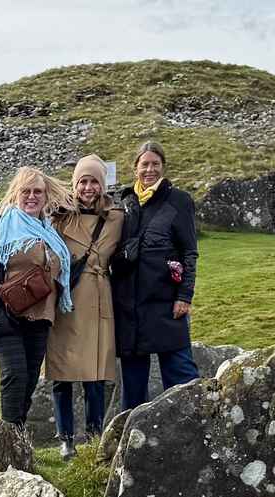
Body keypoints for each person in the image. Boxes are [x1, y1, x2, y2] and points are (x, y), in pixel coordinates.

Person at [0, 166, 75, 429]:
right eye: (25, 191)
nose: (32, 196)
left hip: (40, 319)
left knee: (27, 383)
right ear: (15, 193)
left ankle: (18, 440)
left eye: (38, 191)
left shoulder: (50, 232)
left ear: (46, 196)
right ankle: (7, 444)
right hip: (5, 317)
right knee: (14, 377)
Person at [112, 140, 200, 411]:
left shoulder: (179, 201)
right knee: (133, 385)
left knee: (181, 377)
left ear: (163, 167)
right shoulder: (125, 202)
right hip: (130, 303)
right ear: (135, 168)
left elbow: (189, 253)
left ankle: (191, 425)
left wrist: (184, 296)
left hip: (165, 301)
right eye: (144, 164)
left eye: (155, 164)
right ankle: (128, 436)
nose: (149, 170)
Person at [47, 154, 124, 459]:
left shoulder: (117, 216)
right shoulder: (60, 215)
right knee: (61, 373)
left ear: (103, 185)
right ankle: (65, 439)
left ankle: (93, 437)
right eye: (83, 181)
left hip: (98, 296)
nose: (88, 187)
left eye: (94, 181)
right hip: (67, 299)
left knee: (95, 375)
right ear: (74, 185)